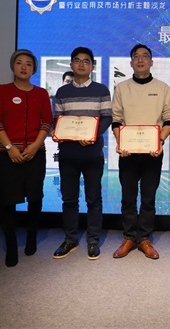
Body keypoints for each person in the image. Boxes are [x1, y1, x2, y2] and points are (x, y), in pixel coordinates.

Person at [0, 49, 53, 267]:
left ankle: (32, 237)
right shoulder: (1, 91)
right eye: (19, 63)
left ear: (34, 69)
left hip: (35, 153)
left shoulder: (41, 94)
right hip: (8, 154)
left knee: (35, 198)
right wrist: (9, 148)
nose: (24, 67)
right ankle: (11, 245)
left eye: (28, 63)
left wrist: (35, 146)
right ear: (13, 66)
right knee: (8, 200)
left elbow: (47, 121)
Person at [111, 44, 170, 259]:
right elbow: (116, 120)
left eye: (145, 56)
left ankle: (145, 238)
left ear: (151, 62)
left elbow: (169, 119)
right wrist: (122, 143)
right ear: (131, 62)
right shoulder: (121, 88)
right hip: (128, 154)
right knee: (128, 198)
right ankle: (129, 237)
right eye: (136, 57)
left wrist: (160, 141)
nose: (140, 60)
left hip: (152, 153)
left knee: (148, 198)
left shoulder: (163, 88)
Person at [52, 47, 112, 260]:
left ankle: (93, 241)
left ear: (92, 67)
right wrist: (59, 132)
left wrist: (93, 135)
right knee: (69, 199)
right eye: (77, 60)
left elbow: (107, 117)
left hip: (92, 153)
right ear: (71, 65)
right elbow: (57, 120)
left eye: (86, 61)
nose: (81, 64)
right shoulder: (62, 92)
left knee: (93, 199)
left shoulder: (101, 90)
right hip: (68, 153)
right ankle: (70, 239)